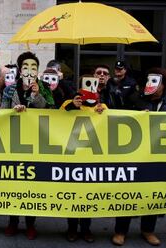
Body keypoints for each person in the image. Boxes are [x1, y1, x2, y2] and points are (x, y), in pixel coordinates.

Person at [111, 68, 166, 247]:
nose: (151, 85)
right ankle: (120, 231)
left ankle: (148, 230)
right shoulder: (136, 98)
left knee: (153, 191)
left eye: (155, 82)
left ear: (164, 84)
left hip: (158, 154)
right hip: (135, 153)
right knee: (128, 193)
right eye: (149, 81)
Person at [1, 51, 46, 240]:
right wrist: (14, 111)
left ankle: (30, 223)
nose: (30, 71)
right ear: (20, 70)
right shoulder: (10, 90)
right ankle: (12, 221)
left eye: (33, 67)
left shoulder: (44, 88)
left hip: (35, 142)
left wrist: (36, 96)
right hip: (14, 142)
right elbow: (1, 112)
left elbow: (50, 111)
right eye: (26, 67)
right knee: (14, 184)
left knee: (31, 185)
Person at [60, 75, 106, 243]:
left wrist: (102, 113)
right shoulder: (69, 103)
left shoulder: (102, 106)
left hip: (92, 159)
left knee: (87, 196)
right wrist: (73, 105)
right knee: (73, 195)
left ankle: (86, 229)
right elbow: (58, 118)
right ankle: (72, 228)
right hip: (72, 157)